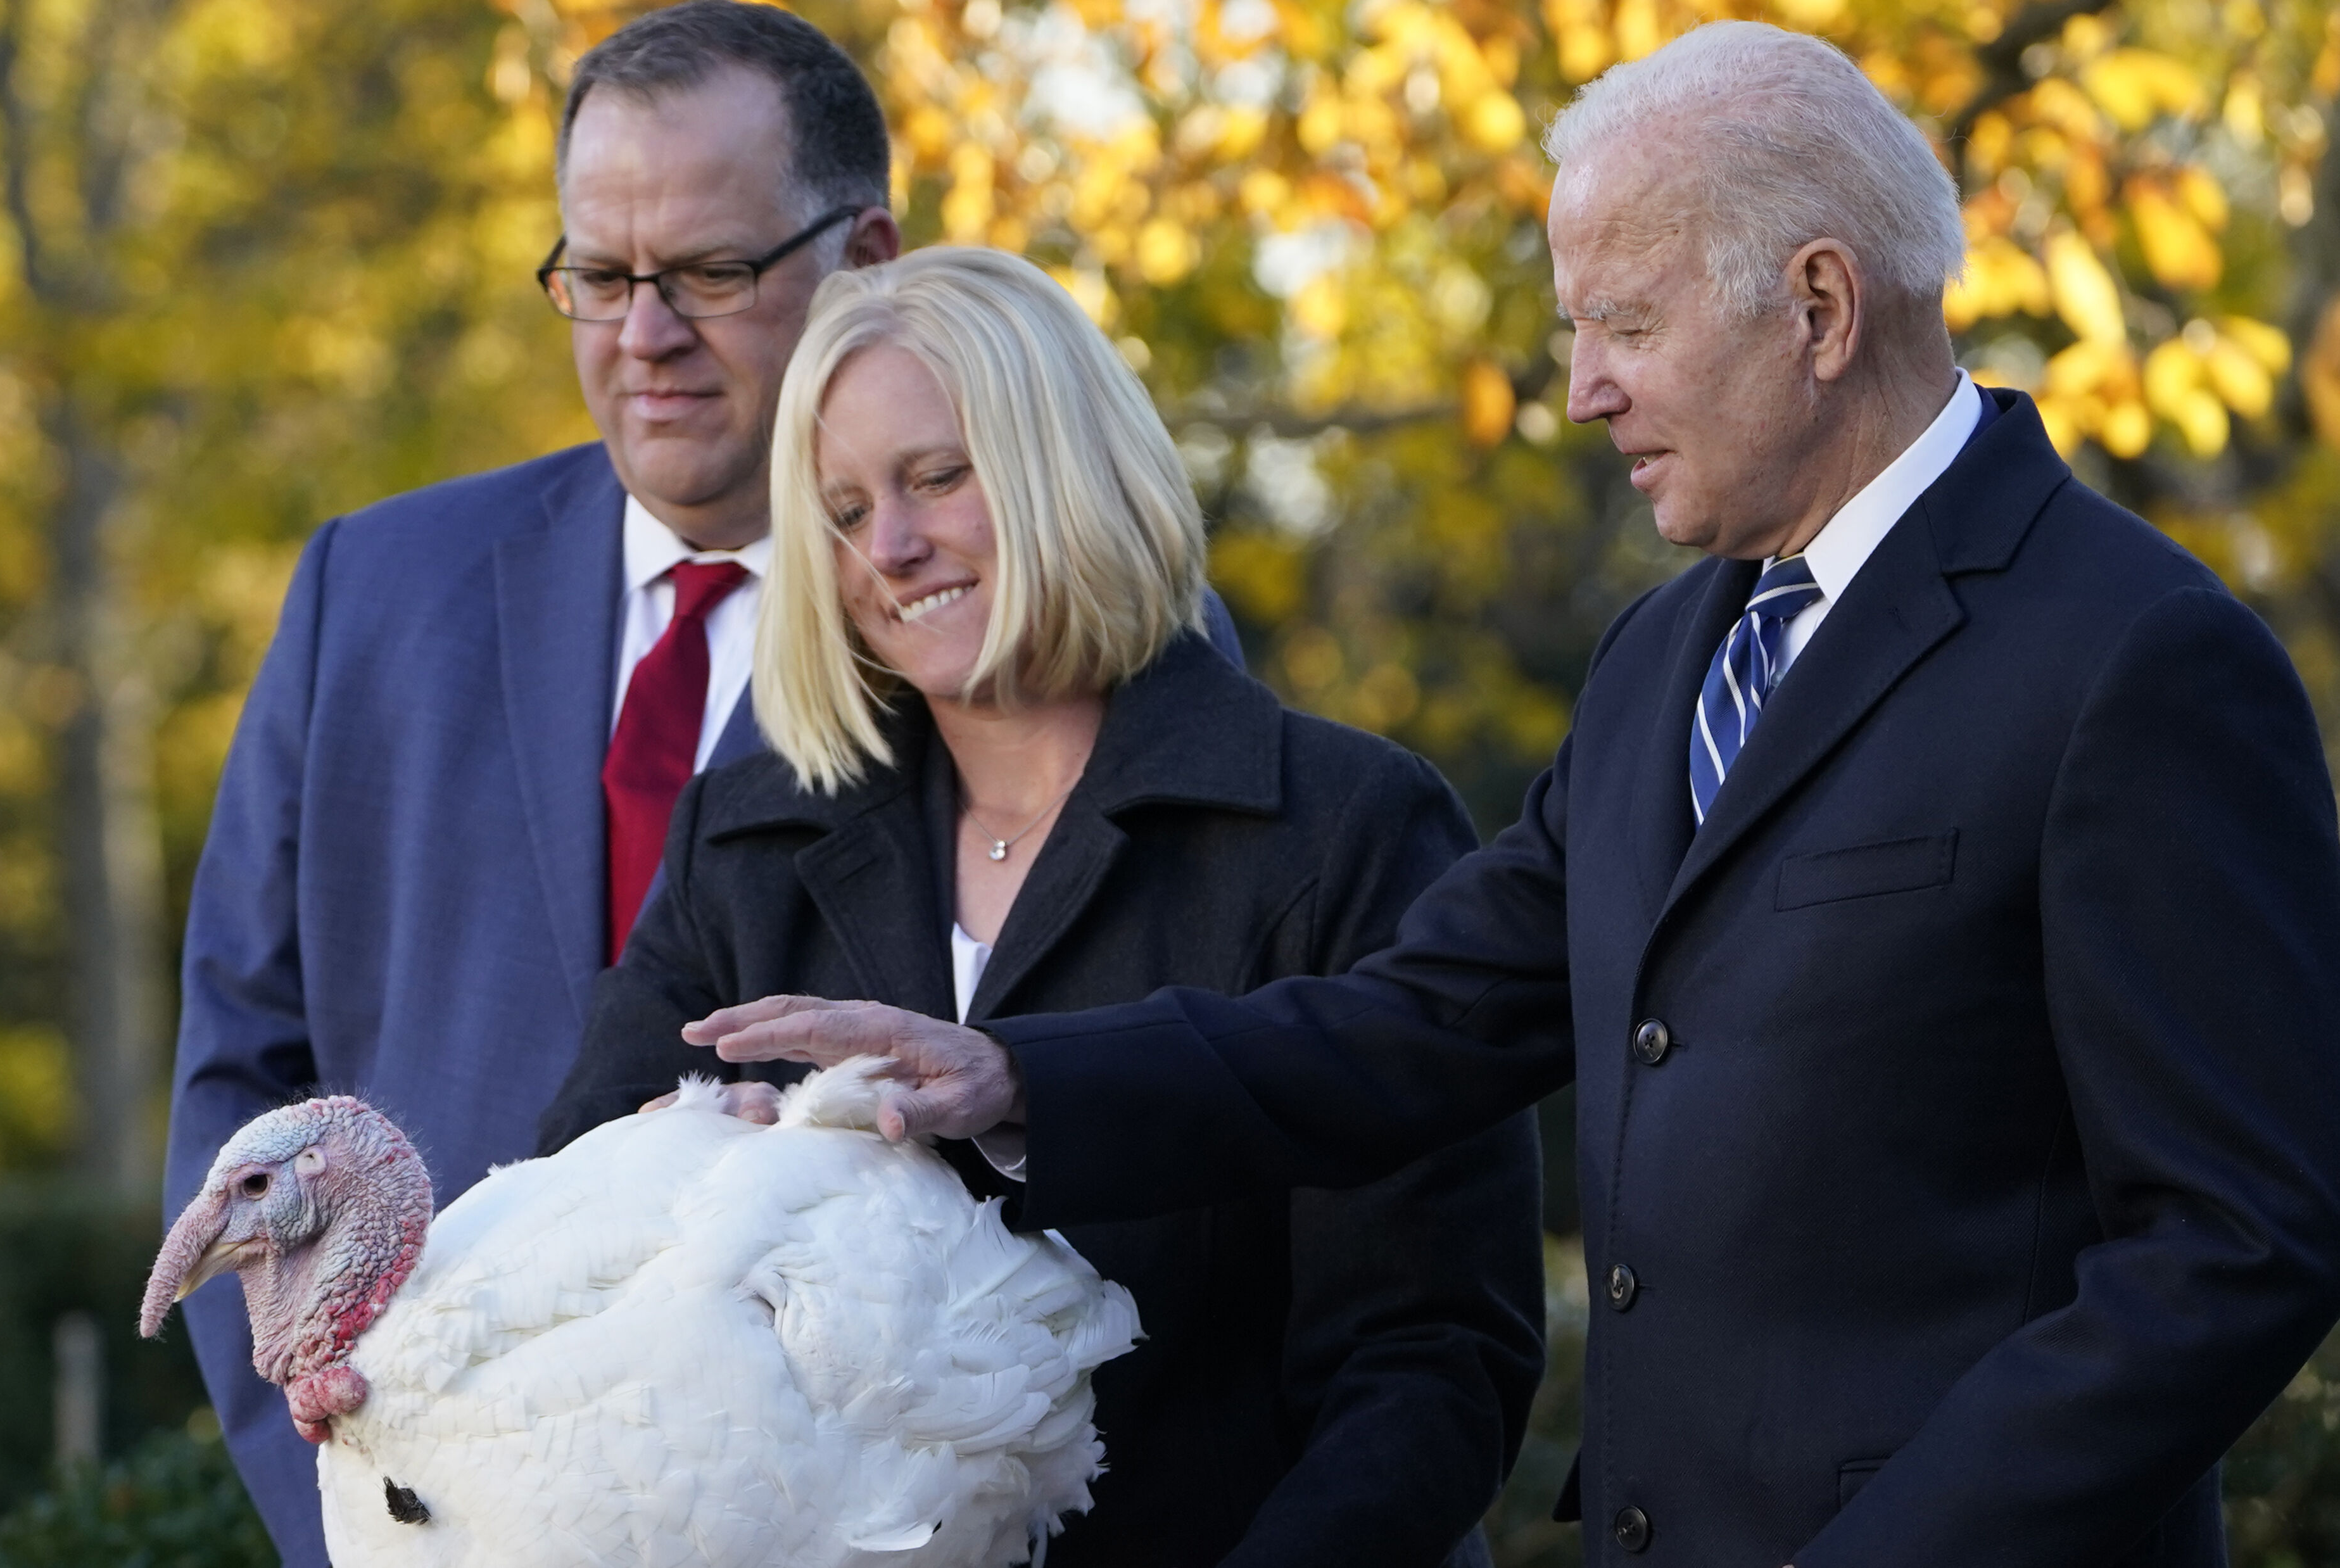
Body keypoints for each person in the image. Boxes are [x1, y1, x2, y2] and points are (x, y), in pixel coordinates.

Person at [690, 23, 2340, 1568]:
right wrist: (1008, 1072)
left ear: (1818, 309)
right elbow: (1411, 1024)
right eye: (1573, 331)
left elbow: (2236, 1244)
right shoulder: (1654, 661)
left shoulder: (2133, 660)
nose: (1580, 390)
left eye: (1624, 324)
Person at [161, 7, 1241, 1560]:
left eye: (711, 274)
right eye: (597, 277)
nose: (642, 333)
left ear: (865, 249)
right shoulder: (371, 589)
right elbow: (245, 1079)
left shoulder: (1030, 615)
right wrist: (369, 1516)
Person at [536, 247, 1546, 1568]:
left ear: (1063, 460)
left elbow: (1428, 1357)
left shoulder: (1339, 823)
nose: (889, 548)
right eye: (840, 509)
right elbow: (573, 1239)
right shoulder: (750, 835)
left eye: (937, 477)